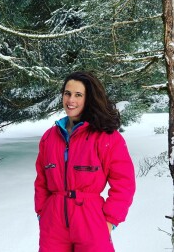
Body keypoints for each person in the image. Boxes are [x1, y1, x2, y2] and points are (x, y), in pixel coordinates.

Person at [34, 71, 136, 252]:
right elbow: (41, 181)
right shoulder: (49, 137)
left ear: (89, 98)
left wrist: (110, 220)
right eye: (67, 93)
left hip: (90, 219)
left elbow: (124, 182)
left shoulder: (106, 137)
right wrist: (42, 213)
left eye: (78, 95)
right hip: (54, 222)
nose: (70, 100)